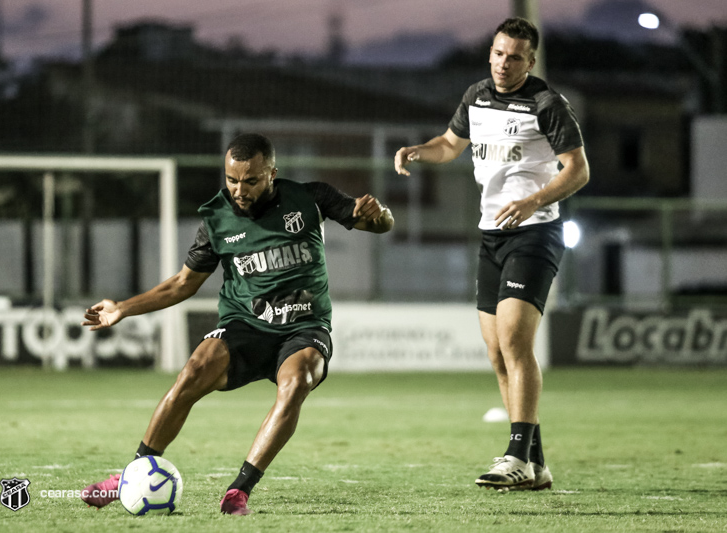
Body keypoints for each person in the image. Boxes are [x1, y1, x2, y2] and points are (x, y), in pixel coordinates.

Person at [80, 132, 394, 514]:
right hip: (245, 324)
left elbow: (378, 225)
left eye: (251, 181)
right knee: (194, 370)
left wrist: (380, 216)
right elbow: (183, 284)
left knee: (296, 383)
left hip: (304, 327)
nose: (239, 190)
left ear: (272, 174)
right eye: (231, 180)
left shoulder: (311, 198)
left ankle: (239, 490)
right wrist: (122, 308)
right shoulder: (216, 219)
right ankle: (130, 475)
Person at [394, 17, 589, 491]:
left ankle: (517, 455)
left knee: (516, 342)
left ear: (530, 60)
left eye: (516, 57)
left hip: (536, 232)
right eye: (499, 53)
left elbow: (578, 170)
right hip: (491, 235)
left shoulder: (546, 104)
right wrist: (418, 150)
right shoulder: (476, 95)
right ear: (491, 53)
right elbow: (449, 145)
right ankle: (536, 465)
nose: (505, 63)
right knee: (497, 352)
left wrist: (534, 200)